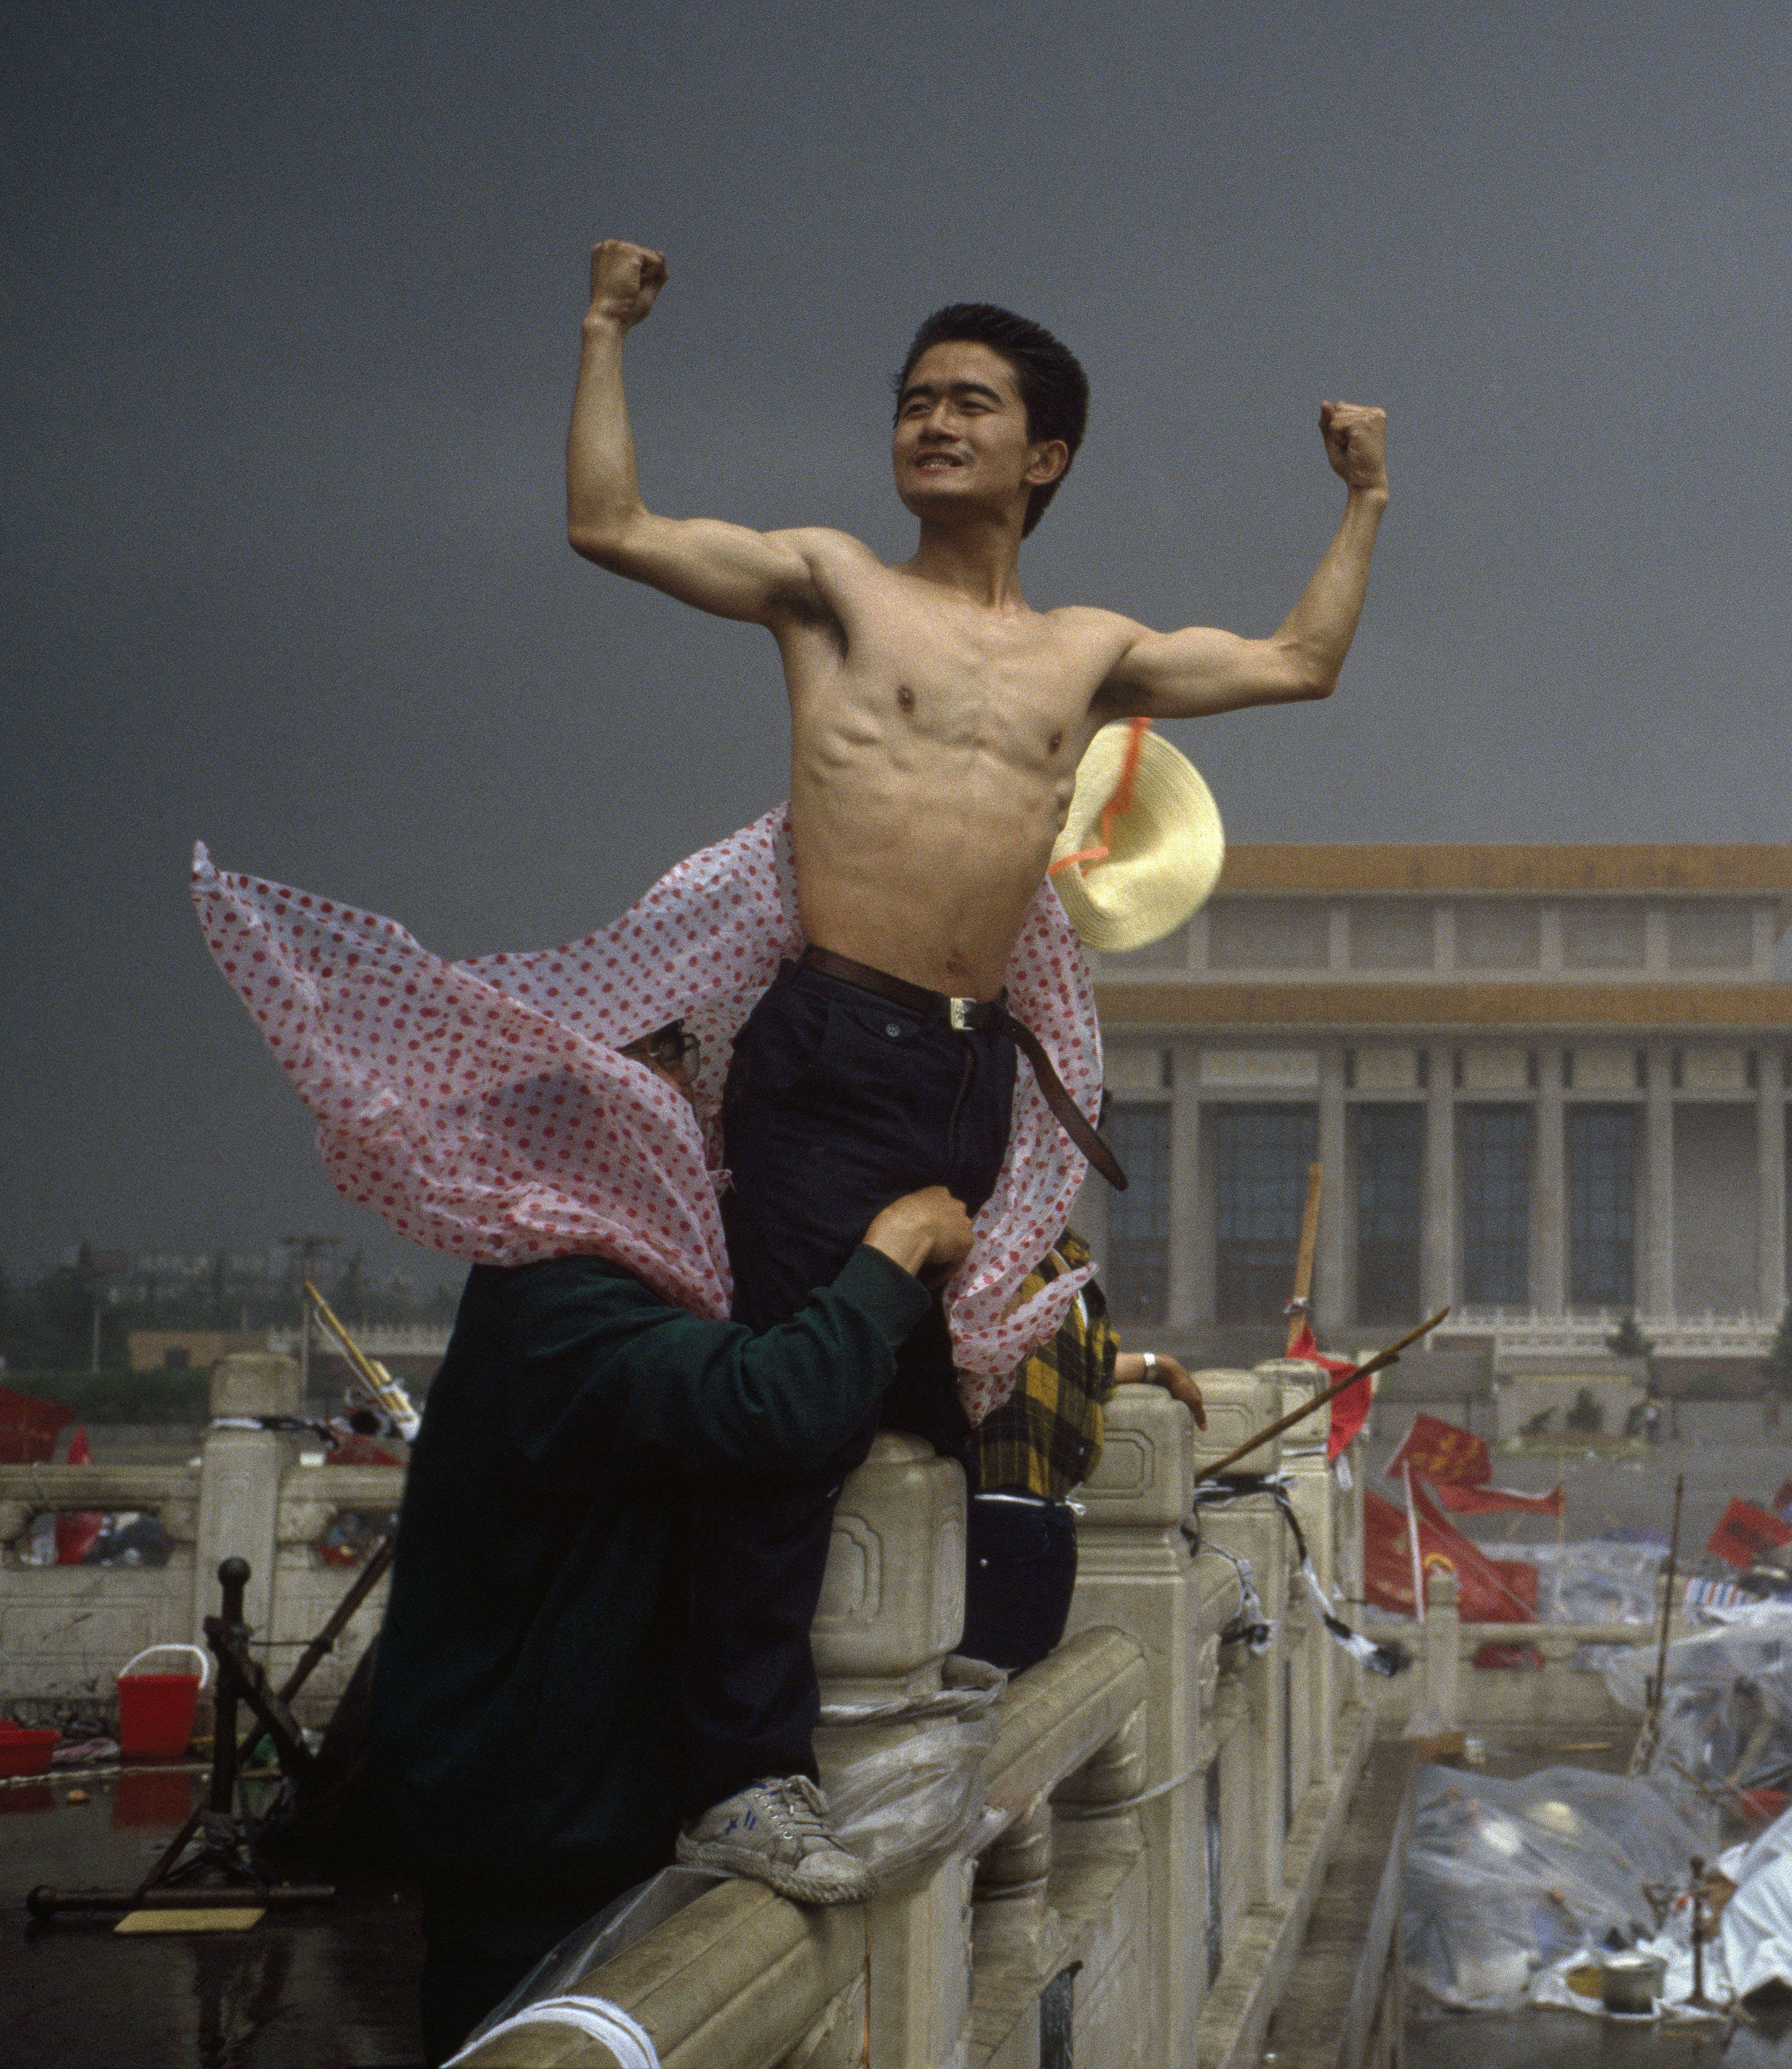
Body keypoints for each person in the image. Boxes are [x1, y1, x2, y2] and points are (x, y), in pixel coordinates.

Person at [563, 239, 1389, 1851]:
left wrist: (1362, 500)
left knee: (940, 1398)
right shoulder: (833, 589)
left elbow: (1301, 663)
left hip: (969, 1071)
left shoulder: (1087, 651)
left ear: (1045, 454)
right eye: (916, 402)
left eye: (972, 404)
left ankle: (903, 1706)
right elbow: (612, 524)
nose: (933, 424)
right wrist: (606, 329)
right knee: (795, 1405)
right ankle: (740, 1776)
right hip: (831, 1043)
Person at [363, 1031, 978, 2059]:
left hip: (569, 1802)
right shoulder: (557, 1298)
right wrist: (896, 1245)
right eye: (664, 1075)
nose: (695, 1113)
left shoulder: (610, 1282)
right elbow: (778, 1404)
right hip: (529, 1822)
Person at [962, 1227, 1206, 1675]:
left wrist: (1160, 1366)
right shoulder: (987, 1237)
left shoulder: (1067, 1259)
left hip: (1050, 1505)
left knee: (1030, 1676)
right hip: (994, 1497)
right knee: (988, 1684)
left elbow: (1092, 1364)